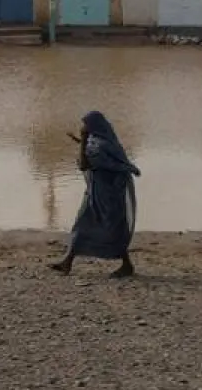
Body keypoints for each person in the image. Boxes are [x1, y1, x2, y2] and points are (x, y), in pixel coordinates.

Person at [49, 111, 141, 279]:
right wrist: (79, 141)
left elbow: (84, 164)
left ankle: (127, 265)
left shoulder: (98, 146)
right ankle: (67, 262)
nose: (83, 128)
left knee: (112, 231)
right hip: (97, 193)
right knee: (82, 224)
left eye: (85, 125)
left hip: (108, 197)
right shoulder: (106, 142)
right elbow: (96, 155)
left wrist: (83, 140)